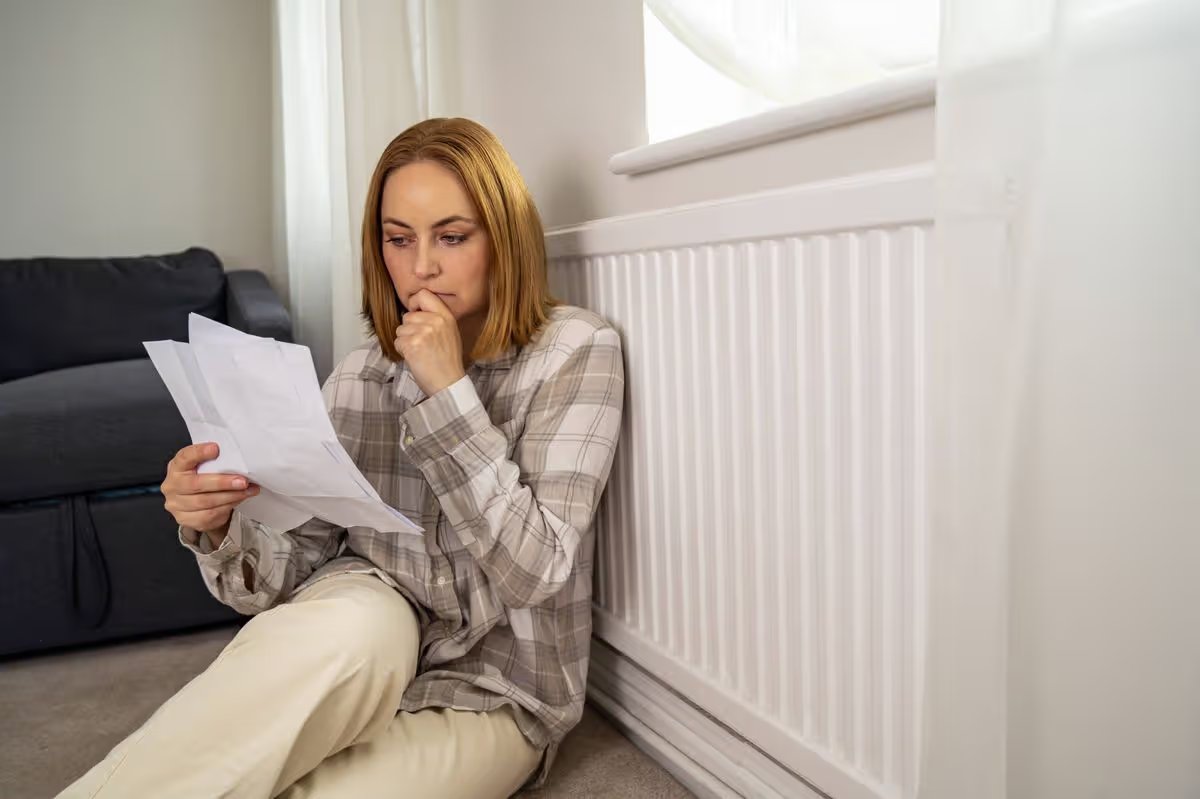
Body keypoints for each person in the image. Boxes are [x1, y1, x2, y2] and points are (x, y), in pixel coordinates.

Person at [60, 118, 625, 799]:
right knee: (340, 635)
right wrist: (218, 526)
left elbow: (533, 573)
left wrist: (446, 392)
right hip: (367, 624)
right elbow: (283, 582)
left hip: (495, 684)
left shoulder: (575, 351)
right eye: (398, 238)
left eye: (452, 235)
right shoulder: (361, 375)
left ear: (502, 236)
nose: (422, 267)